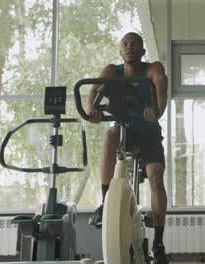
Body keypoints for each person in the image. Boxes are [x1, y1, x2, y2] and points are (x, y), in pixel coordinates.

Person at [87, 32, 169, 264]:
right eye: (125, 44)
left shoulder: (151, 68)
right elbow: (94, 90)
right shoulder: (113, 71)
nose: (129, 47)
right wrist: (92, 110)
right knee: (109, 134)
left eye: (135, 44)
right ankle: (105, 203)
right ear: (120, 51)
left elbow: (161, 81)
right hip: (125, 129)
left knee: (155, 178)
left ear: (143, 51)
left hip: (150, 132)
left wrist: (158, 112)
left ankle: (159, 241)